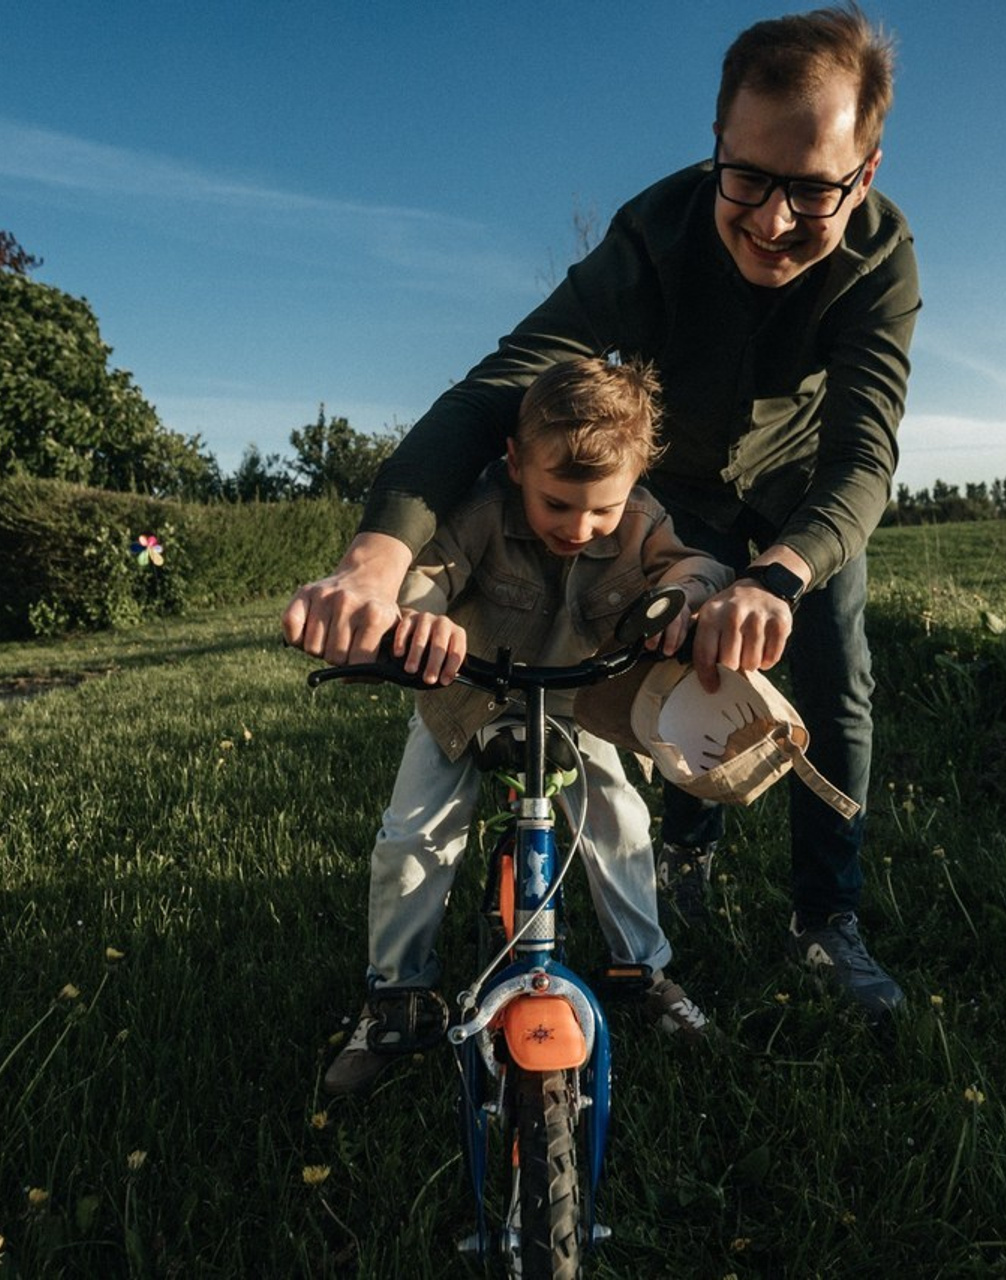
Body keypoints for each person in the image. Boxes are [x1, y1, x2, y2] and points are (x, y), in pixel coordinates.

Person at [284, 3, 919, 1020]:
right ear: (715, 146)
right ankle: (682, 852)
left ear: (866, 170)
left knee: (834, 679)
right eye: (746, 178)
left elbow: (862, 455)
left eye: (811, 191)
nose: (768, 219)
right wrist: (374, 557)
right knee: (679, 663)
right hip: (682, 488)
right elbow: (501, 385)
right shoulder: (653, 234)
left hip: (803, 497)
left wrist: (780, 573)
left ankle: (823, 919)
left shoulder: (881, 261)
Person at [319, 357, 732, 1095]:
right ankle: (396, 995)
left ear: (634, 482)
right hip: (465, 697)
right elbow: (429, 573)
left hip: (580, 702)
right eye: (557, 505)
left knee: (623, 826)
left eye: (601, 510)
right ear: (514, 463)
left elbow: (693, 564)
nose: (580, 528)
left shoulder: (641, 520)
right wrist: (420, 621)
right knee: (414, 835)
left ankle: (642, 970)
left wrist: (684, 593)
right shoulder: (480, 507)